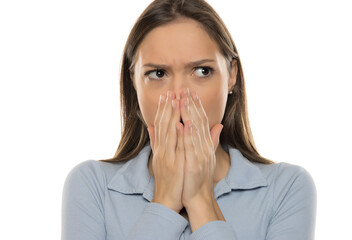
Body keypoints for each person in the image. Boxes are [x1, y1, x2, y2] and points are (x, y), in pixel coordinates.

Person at [61, 0, 317, 239]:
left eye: (202, 71)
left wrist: (200, 199)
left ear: (231, 75)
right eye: (158, 73)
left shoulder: (287, 188)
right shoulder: (92, 186)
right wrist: (165, 200)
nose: (179, 97)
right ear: (134, 82)